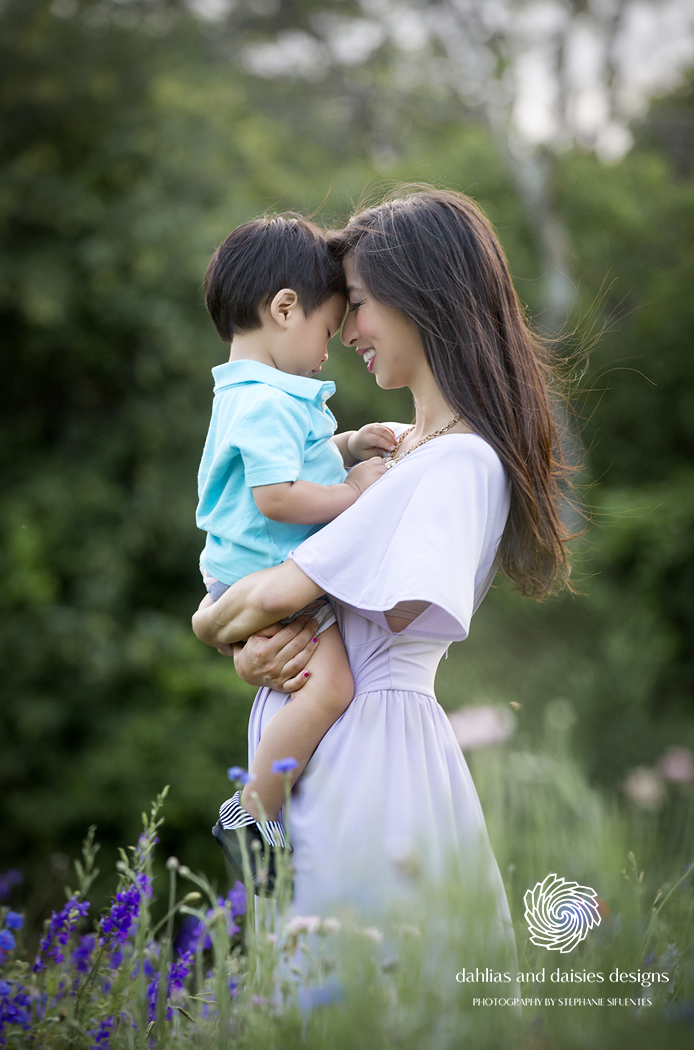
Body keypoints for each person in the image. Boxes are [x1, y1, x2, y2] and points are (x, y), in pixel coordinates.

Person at [193, 189, 574, 937]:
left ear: (421, 299)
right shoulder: (401, 450)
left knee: (369, 987)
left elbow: (284, 597)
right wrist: (251, 645)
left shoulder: (453, 464)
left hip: (372, 762)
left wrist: (217, 625)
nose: (348, 331)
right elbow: (288, 596)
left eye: (359, 305)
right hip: (331, 753)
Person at [197, 214, 394, 878]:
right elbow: (277, 496)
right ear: (285, 308)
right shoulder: (266, 402)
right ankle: (254, 808)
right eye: (326, 332)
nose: (327, 351)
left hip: (247, 576)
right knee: (331, 687)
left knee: (324, 684)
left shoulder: (257, 395)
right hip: (264, 576)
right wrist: (358, 493)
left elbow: (296, 465)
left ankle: (262, 804)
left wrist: (347, 446)